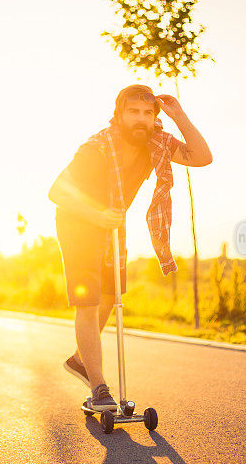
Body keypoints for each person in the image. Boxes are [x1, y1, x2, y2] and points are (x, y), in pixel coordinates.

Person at [48, 84, 213, 411]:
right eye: (133, 112)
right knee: (89, 301)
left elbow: (202, 158)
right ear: (119, 114)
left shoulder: (156, 142)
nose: (141, 119)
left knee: (111, 295)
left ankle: (82, 359)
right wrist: (96, 215)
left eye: (147, 113)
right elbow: (57, 192)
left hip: (112, 224)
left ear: (154, 117)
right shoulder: (96, 147)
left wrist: (179, 116)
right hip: (79, 222)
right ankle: (99, 388)